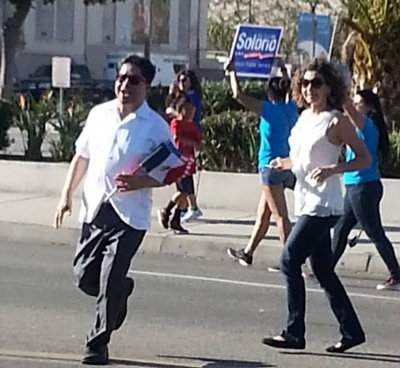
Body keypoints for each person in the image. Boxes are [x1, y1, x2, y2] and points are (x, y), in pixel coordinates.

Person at [54, 55, 176, 365]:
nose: (125, 84)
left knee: (109, 279)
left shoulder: (156, 127)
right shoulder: (99, 114)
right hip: (95, 207)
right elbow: (82, 157)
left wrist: (140, 181)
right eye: (122, 78)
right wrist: (66, 194)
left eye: (133, 80)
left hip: (129, 215)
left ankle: (97, 342)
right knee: (83, 276)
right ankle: (121, 292)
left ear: (146, 86)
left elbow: (170, 172)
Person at [262, 58, 371, 353]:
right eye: (306, 83)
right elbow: (302, 158)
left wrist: (333, 170)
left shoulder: (336, 120)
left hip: (324, 205)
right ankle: (352, 331)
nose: (310, 88)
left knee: (288, 260)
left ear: (329, 87)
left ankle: (294, 331)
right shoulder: (304, 117)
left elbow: (364, 158)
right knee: (322, 270)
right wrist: (284, 163)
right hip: (305, 198)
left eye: (317, 83)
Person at [225, 59, 298, 269]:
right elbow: (290, 87)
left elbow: (238, 95)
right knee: (263, 214)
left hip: (269, 168)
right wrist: (284, 70)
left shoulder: (268, 109)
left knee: (280, 217)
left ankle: (290, 261)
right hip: (285, 167)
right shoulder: (291, 108)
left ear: (269, 94)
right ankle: (248, 252)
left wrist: (232, 72)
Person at [331, 89, 400, 291]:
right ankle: (325, 268)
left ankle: (396, 274)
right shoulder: (358, 127)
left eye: (360, 103)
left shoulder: (366, 125)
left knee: (374, 232)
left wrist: (339, 84)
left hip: (364, 186)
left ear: (369, 107)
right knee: (341, 229)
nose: (356, 105)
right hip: (355, 185)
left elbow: (347, 107)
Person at [158, 97, 202, 234]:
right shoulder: (176, 123)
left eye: (192, 110)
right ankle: (167, 210)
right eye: (187, 109)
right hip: (179, 163)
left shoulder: (193, 126)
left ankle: (175, 219)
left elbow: (199, 141)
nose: (191, 113)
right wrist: (192, 143)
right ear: (181, 110)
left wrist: (199, 146)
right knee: (183, 191)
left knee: (186, 193)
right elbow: (177, 139)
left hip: (189, 163)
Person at [165, 69, 203, 222]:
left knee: (184, 174)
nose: (181, 84)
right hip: (181, 135)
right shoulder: (182, 97)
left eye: (184, 80)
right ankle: (185, 206)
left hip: (186, 136)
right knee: (181, 175)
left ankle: (190, 206)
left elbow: (185, 114)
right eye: (179, 80)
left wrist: (173, 111)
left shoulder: (191, 97)